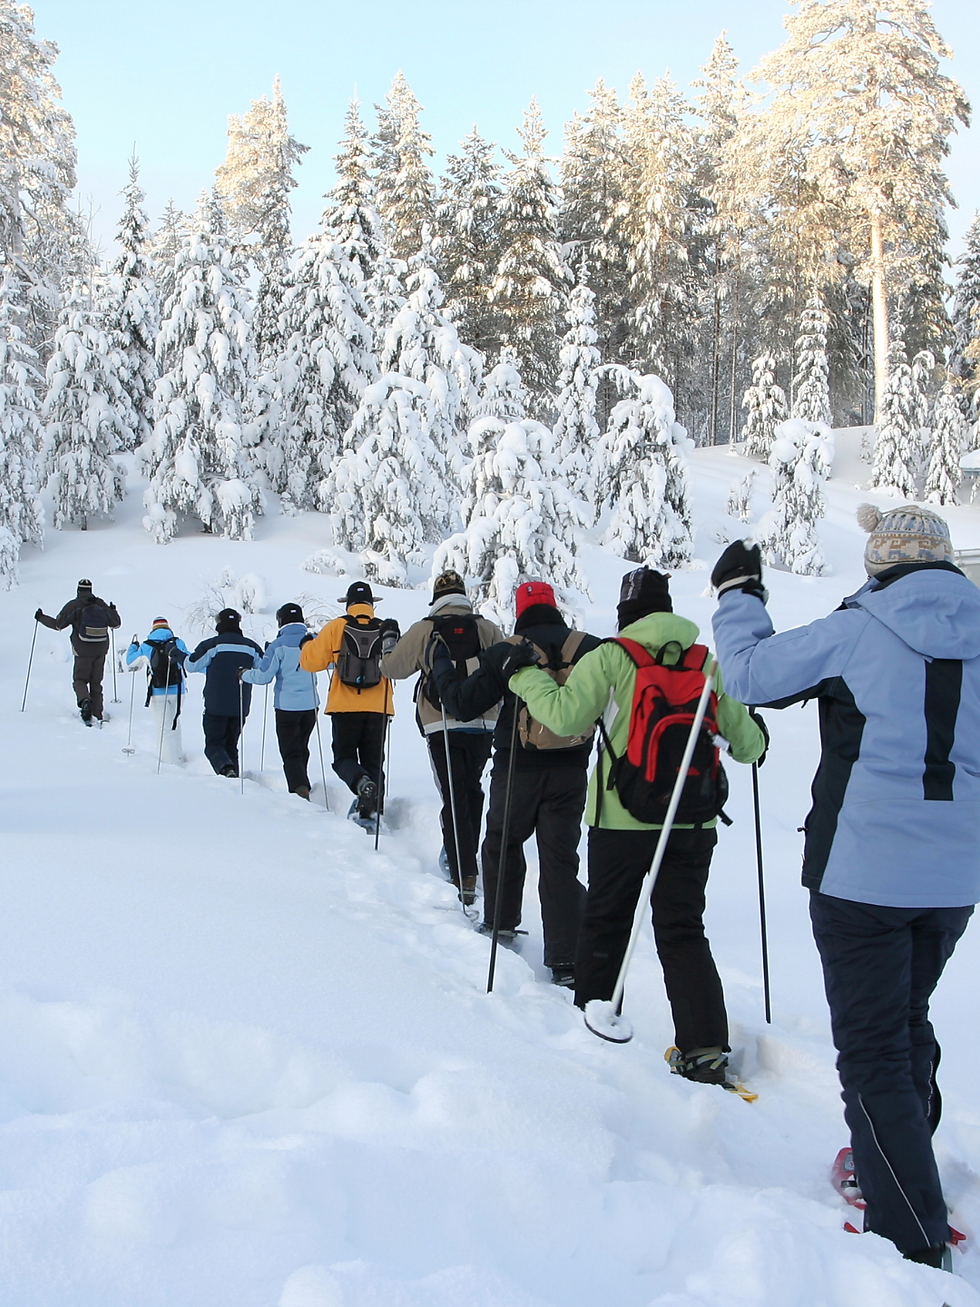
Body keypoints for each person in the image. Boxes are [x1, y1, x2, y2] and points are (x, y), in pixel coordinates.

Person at [710, 506, 980, 1270]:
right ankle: (893, 1161)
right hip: (956, 874)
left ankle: (910, 1234)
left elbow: (750, 674)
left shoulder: (862, 626)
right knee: (906, 1020)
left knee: (871, 1048)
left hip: (863, 870)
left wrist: (738, 593)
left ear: (881, 563)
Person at [509, 567, 765, 1082]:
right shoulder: (705, 663)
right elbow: (749, 746)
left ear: (626, 614)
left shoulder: (612, 656)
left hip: (621, 820)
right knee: (684, 929)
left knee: (607, 920)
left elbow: (564, 717)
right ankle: (705, 1050)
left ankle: (593, 1026)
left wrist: (522, 676)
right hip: (692, 823)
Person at [431, 580, 600, 985]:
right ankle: (565, 960)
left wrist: (440, 666)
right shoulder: (589, 647)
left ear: (519, 609)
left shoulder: (508, 651)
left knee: (503, 842)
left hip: (516, 767)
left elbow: (462, 703)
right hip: (572, 769)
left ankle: (500, 925)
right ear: (554, 607)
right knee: (560, 858)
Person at [380, 569, 502, 901]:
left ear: (436, 598)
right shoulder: (486, 628)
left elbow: (391, 669)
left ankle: (462, 870)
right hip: (483, 724)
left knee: (453, 794)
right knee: (472, 790)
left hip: (441, 723)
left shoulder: (425, 629)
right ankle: (467, 863)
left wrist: (389, 638)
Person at [299, 581, 394, 828]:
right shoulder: (385, 629)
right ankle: (372, 812)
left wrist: (306, 645)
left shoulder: (336, 627)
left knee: (343, 758)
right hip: (378, 707)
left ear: (349, 604)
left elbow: (310, 663)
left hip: (345, 706)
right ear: (371, 604)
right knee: (374, 760)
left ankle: (362, 784)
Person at [242, 602, 319, 799]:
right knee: (302, 747)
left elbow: (263, 677)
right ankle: (302, 782)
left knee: (290, 750)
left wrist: (243, 674)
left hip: (286, 707)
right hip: (311, 706)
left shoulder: (278, 646)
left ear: (281, 621)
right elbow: (330, 663)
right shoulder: (315, 641)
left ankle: (299, 788)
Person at [185, 608, 262, 777]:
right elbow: (263, 670)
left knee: (213, 744)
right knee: (231, 745)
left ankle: (226, 770)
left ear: (219, 623)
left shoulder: (212, 645)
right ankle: (233, 776)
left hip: (216, 704)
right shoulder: (251, 646)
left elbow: (191, 665)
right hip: (241, 705)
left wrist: (178, 655)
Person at [36, 578, 121, 724]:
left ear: (78, 590)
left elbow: (58, 625)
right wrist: (113, 610)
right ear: (91, 589)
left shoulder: (74, 605)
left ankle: (85, 701)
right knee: (96, 682)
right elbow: (116, 623)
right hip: (101, 649)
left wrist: (41, 617)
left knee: (80, 680)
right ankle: (98, 714)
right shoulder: (100, 603)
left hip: (82, 650)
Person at [125, 617, 189, 764]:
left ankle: (168, 762)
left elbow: (131, 662)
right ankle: (178, 756)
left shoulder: (147, 646)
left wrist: (133, 647)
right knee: (175, 723)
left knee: (163, 727)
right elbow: (189, 659)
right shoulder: (178, 643)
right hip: (179, 691)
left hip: (158, 692)